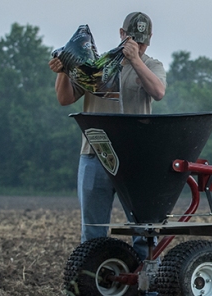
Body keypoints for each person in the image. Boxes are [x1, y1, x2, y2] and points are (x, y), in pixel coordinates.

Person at [48, 11, 167, 261]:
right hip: (95, 155)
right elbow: (64, 98)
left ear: (150, 39)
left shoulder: (152, 65)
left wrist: (135, 60)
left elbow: (158, 91)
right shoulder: (96, 65)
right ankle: (91, 281)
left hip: (135, 157)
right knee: (93, 231)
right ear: (122, 35)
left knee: (143, 229)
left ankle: (145, 283)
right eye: (133, 39)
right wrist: (64, 69)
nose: (138, 45)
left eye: (143, 41)